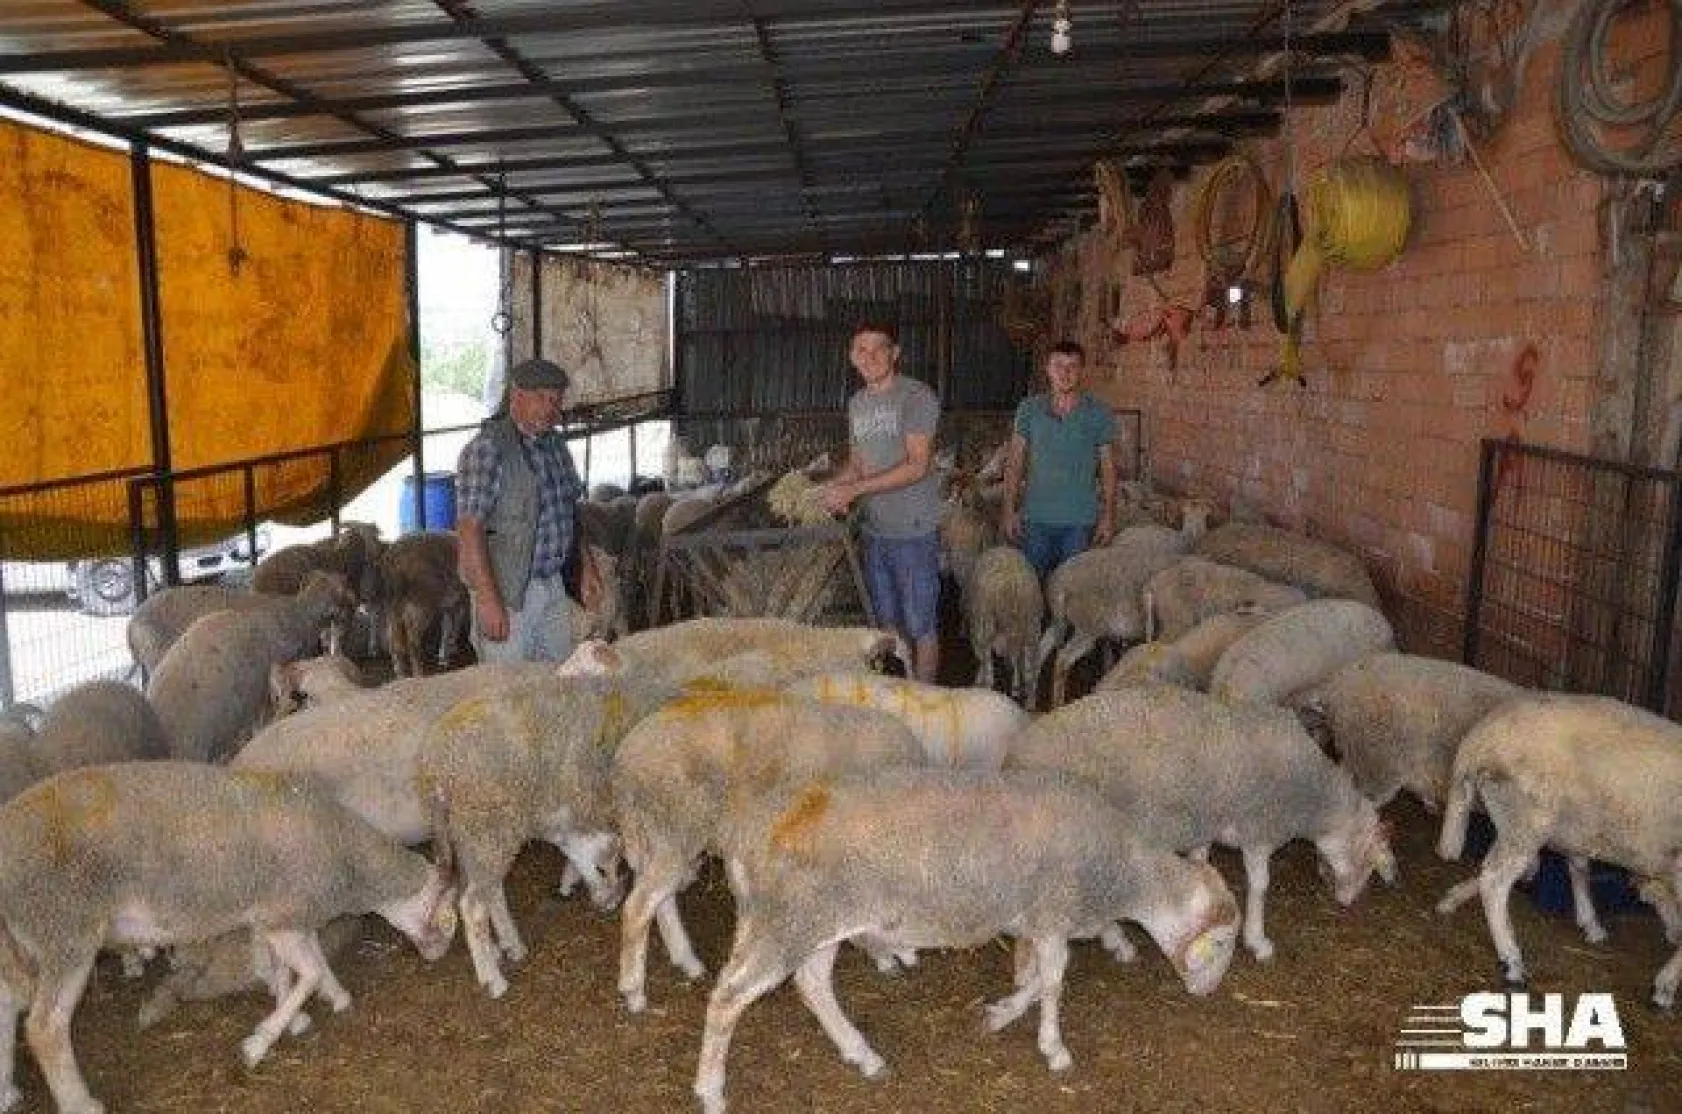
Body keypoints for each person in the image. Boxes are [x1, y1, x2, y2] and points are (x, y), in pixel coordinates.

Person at [818, 322, 943, 683]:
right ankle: (904, 692)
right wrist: (830, 489)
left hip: (914, 530)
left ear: (895, 353)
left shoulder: (916, 397)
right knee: (888, 623)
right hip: (875, 529)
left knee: (922, 625)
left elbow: (918, 464)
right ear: (852, 357)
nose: (870, 357)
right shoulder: (857, 404)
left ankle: (926, 703)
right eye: (861, 350)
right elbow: (858, 463)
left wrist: (855, 491)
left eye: (878, 348)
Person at [455, 356, 600, 663]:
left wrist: (586, 565)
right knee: (509, 692)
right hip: (508, 593)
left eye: (555, 400)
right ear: (516, 396)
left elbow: (570, 511)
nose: (550, 408)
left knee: (559, 678)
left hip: (553, 584)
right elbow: (470, 528)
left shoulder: (555, 446)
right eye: (541, 398)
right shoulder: (488, 450)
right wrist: (488, 598)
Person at [1001, 340, 1119, 581]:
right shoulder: (1029, 409)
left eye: (1072, 366)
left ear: (1082, 371)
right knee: (1031, 590)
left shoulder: (1098, 413)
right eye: (1058, 366)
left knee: (1073, 592)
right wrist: (1008, 511)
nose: (1065, 373)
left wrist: (1107, 517)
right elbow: (1014, 463)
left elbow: (1108, 468)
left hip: (1079, 523)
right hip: (1036, 520)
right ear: (1047, 369)